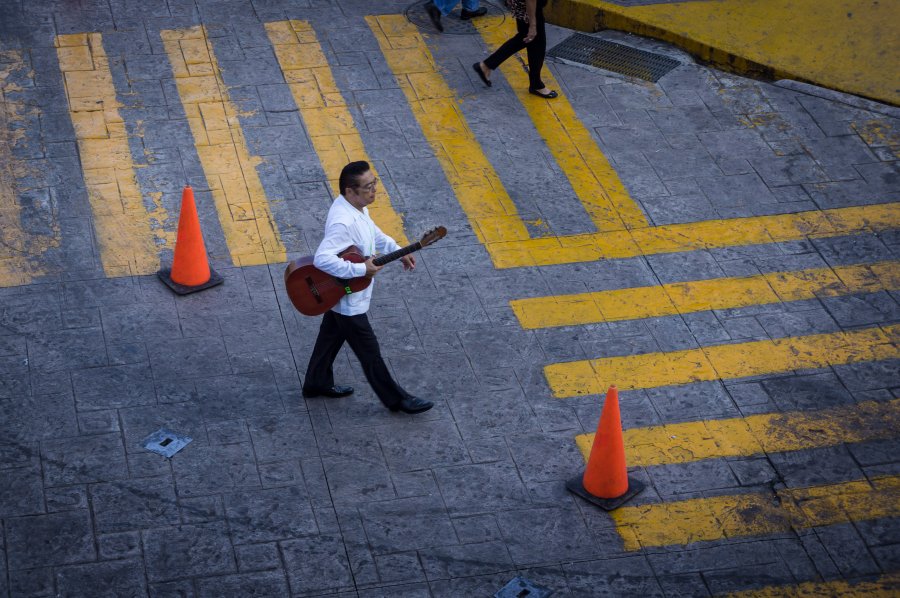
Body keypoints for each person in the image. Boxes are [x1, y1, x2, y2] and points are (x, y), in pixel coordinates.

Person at [301, 161, 434, 414]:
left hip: (341, 293)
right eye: (368, 187)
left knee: (330, 335)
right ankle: (397, 399)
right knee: (369, 352)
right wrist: (361, 270)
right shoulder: (343, 222)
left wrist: (397, 250)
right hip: (349, 299)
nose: (374, 191)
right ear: (350, 191)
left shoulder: (357, 207)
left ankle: (315, 382)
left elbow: (372, 233)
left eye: (375, 184)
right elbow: (322, 259)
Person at [472, 0, 558, 98]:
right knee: (535, 42)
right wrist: (533, 25)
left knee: (528, 40)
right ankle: (536, 84)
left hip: (521, 5)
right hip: (529, 8)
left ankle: (487, 65)